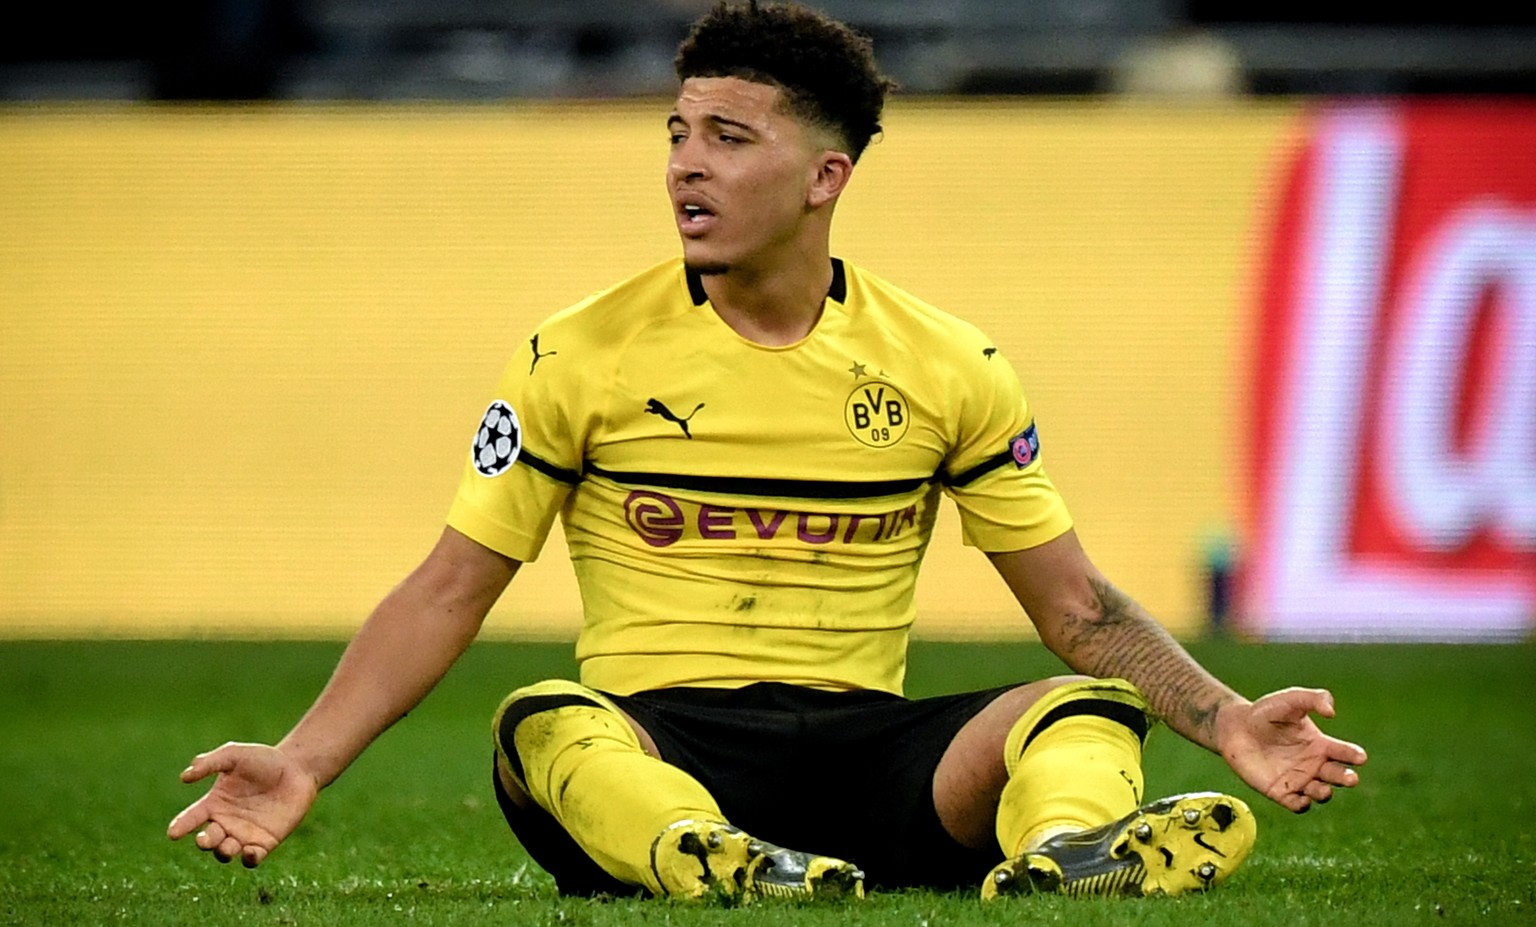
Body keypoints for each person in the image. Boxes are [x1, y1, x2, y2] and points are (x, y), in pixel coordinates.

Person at [168, 0, 1368, 902]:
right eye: (679, 133)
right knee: (544, 721)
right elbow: (448, 589)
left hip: (867, 759)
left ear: (824, 177)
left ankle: (1067, 855)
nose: (687, 163)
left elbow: (1078, 608)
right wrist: (302, 762)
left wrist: (1227, 720)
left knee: (1083, 705)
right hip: (658, 741)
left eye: (729, 138)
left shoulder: (948, 364)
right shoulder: (580, 353)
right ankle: (720, 861)